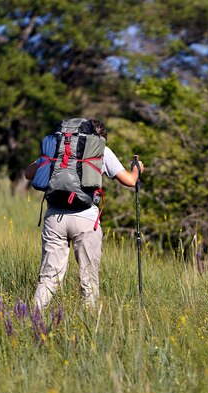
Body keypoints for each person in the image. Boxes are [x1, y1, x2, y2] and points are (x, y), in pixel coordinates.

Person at [24, 119, 144, 310]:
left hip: (54, 217)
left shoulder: (59, 147)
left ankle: (32, 317)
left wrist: (46, 159)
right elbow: (129, 181)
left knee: (49, 277)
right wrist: (137, 170)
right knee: (88, 278)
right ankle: (89, 326)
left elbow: (28, 173)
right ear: (100, 136)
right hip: (86, 219)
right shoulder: (101, 150)